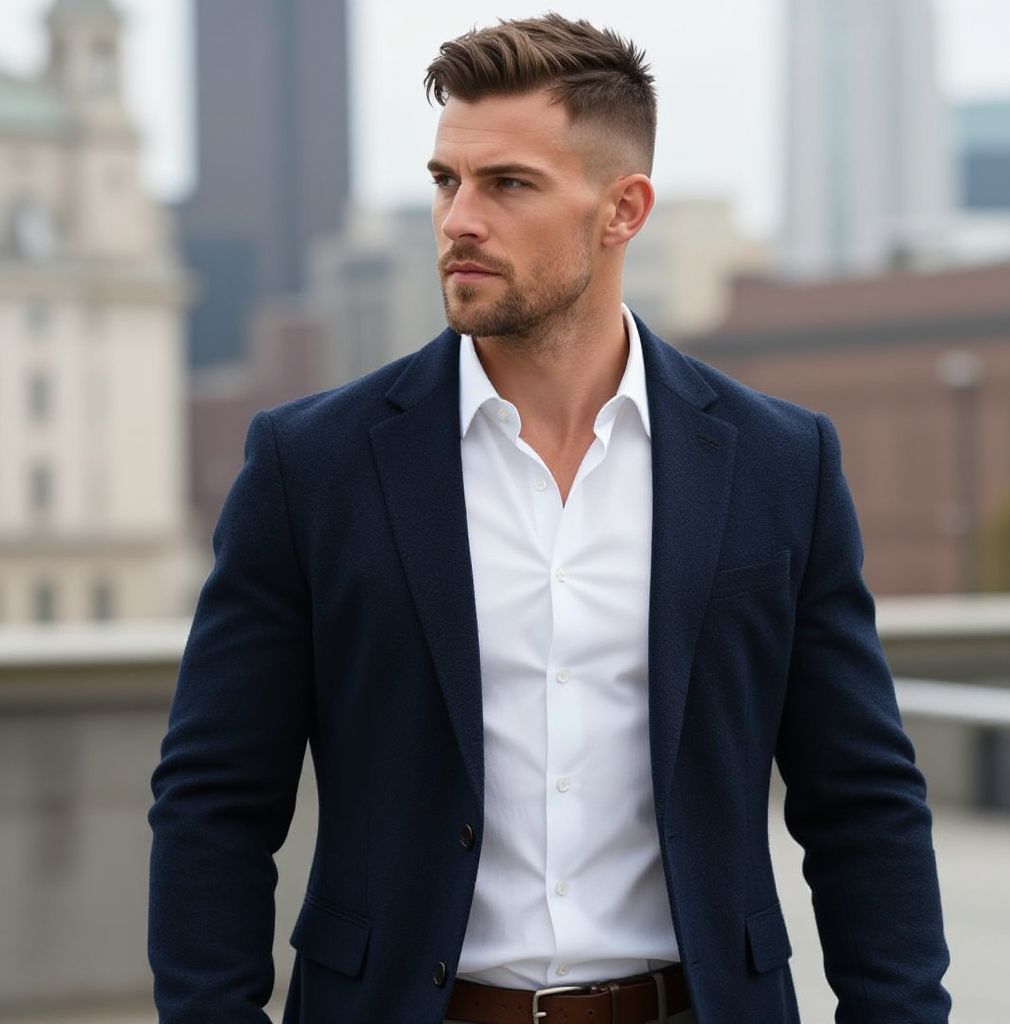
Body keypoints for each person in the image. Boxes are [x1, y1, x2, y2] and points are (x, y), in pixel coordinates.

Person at [148, 14, 951, 1024]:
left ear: (622, 210)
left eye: (507, 184)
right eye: (447, 180)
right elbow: (213, 799)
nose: (458, 219)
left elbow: (861, 799)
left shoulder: (777, 464)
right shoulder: (312, 466)